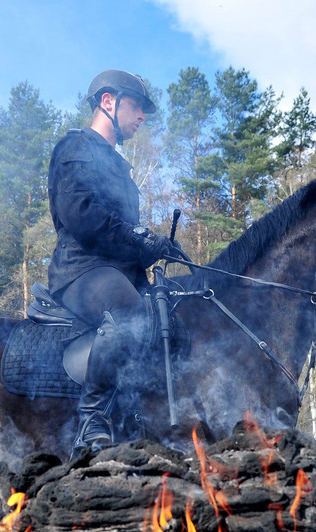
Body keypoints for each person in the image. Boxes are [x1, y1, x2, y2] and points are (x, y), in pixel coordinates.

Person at [47, 68, 190, 457]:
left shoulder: (121, 169)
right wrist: (140, 236)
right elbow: (81, 214)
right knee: (129, 313)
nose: (142, 116)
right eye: (137, 106)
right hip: (81, 270)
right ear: (108, 102)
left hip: (119, 271)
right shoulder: (74, 149)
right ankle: (92, 420)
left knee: (179, 312)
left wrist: (153, 248)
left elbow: (123, 234)